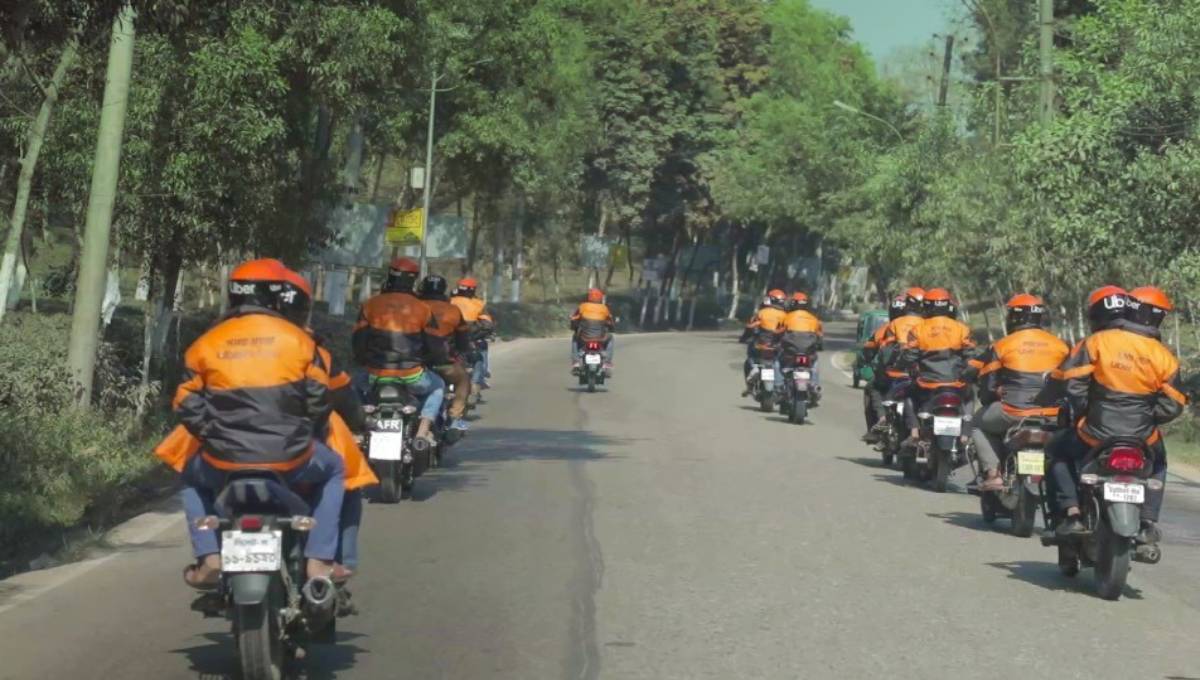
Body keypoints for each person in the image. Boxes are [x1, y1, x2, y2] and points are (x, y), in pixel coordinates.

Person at [174, 259, 345, 589]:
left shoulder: (205, 343)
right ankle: (319, 560)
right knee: (335, 470)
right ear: (276, 297)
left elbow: (185, 402)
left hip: (223, 460)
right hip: (291, 458)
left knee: (190, 478)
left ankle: (209, 557)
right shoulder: (300, 341)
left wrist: (212, 434)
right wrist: (303, 432)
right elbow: (319, 400)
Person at [1046, 286, 1186, 543]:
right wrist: (1147, 416)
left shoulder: (1097, 342)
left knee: (1057, 452)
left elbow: (1072, 383)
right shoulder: (1165, 357)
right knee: (1158, 464)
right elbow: (1174, 405)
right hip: (1142, 437)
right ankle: (1147, 522)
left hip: (1093, 433)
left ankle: (1072, 513)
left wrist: (1087, 409)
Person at [970, 294, 1069, 491]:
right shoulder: (1062, 345)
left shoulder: (1002, 344)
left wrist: (990, 398)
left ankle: (993, 474)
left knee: (977, 423)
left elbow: (989, 385)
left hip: (1013, 411)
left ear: (1015, 318)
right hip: (1052, 414)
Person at [353, 257, 445, 447]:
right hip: (412, 376)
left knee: (352, 386)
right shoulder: (423, 308)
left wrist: (363, 360)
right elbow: (435, 346)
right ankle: (422, 432)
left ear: (390, 276)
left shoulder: (370, 304)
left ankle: (358, 428)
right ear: (413, 280)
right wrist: (435, 359)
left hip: (375, 375)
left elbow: (358, 341)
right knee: (438, 386)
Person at [899, 287, 976, 441]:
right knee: (970, 396)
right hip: (956, 383)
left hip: (927, 384)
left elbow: (909, 357)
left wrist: (904, 364)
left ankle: (914, 430)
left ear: (927, 306)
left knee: (907, 394)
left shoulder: (918, 329)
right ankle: (965, 433)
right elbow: (971, 357)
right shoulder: (962, 329)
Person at [418, 274, 472, 435]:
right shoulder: (453, 310)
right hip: (443, 363)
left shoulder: (414, 307)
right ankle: (455, 417)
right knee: (463, 380)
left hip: (414, 362)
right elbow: (463, 340)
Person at [862, 294, 908, 441]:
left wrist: (869, 360)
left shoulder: (887, 328)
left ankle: (879, 422)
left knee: (872, 387)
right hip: (917, 376)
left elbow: (869, 347)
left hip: (891, 375)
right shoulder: (923, 325)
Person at [739, 289, 788, 394]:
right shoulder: (786, 316)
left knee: (750, 359)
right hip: (776, 347)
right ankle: (780, 383)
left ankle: (751, 380)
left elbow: (749, 327)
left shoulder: (761, 313)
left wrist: (743, 338)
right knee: (781, 362)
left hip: (760, 345)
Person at [451, 277, 493, 391]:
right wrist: (475, 335)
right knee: (479, 357)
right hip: (470, 338)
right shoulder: (478, 304)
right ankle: (476, 381)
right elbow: (488, 325)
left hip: (450, 339)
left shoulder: (449, 301)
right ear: (473, 290)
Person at [780, 291, 824, 395]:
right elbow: (820, 336)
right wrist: (819, 346)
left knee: (778, 362)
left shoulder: (786, 317)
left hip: (790, 353)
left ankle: (779, 385)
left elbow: (779, 332)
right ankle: (814, 385)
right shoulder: (814, 319)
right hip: (808, 354)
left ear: (793, 304)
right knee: (814, 365)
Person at [570, 288, 616, 372]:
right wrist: (612, 328)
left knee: (574, 338)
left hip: (584, 338)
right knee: (611, 338)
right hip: (600, 338)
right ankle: (607, 362)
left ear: (589, 297)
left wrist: (574, 328)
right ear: (600, 298)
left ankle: (576, 362)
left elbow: (574, 319)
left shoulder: (583, 306)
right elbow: (611, 322)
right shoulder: (604, 308)